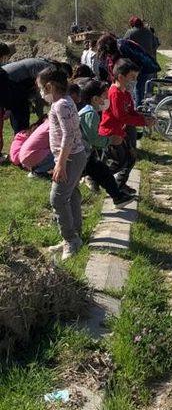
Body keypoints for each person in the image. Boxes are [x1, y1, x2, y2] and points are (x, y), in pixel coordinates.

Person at [37, 65, 87, 260]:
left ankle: (70, 240)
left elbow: (68, 135)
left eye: (41, 88)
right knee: (71, 193)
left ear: (49, 86)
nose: (40, 92)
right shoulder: (63, 102)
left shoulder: (61, 105)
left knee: (57, 198)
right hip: (72, 156)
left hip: (71, 158)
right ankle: (76, 234)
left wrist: (61, 163)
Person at [78, 79, 134, 206]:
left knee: (104, 173)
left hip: (84, 154)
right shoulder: (90, 114)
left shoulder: (90, 111)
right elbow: (94, 139)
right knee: (101, 173)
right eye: (105, 95)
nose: (108, 98)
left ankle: (118, 197)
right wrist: (110, 140)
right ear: (95, 99)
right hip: (79, 154)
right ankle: (117, 196)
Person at [99, 59, 154, 188]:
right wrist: (143, 122)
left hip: (120, 133)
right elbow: (122, 117)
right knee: (119, 162)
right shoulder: (114, 93)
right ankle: (98, 178)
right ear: (120, 77)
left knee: (130, 159)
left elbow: (131, 112)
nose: (134, 81)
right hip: (110, 133)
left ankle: (119, 185)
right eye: (132, 77)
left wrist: (145, 118)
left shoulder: (126, 93)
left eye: (136, 78)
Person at [0, 56, 56, 133]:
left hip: (11, 80)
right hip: (10, 81)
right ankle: (21, 136)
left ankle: (19, 136)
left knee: (18, 111)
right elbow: (40, 94)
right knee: (20, 113)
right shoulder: (51, 70)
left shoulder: (42, 63)